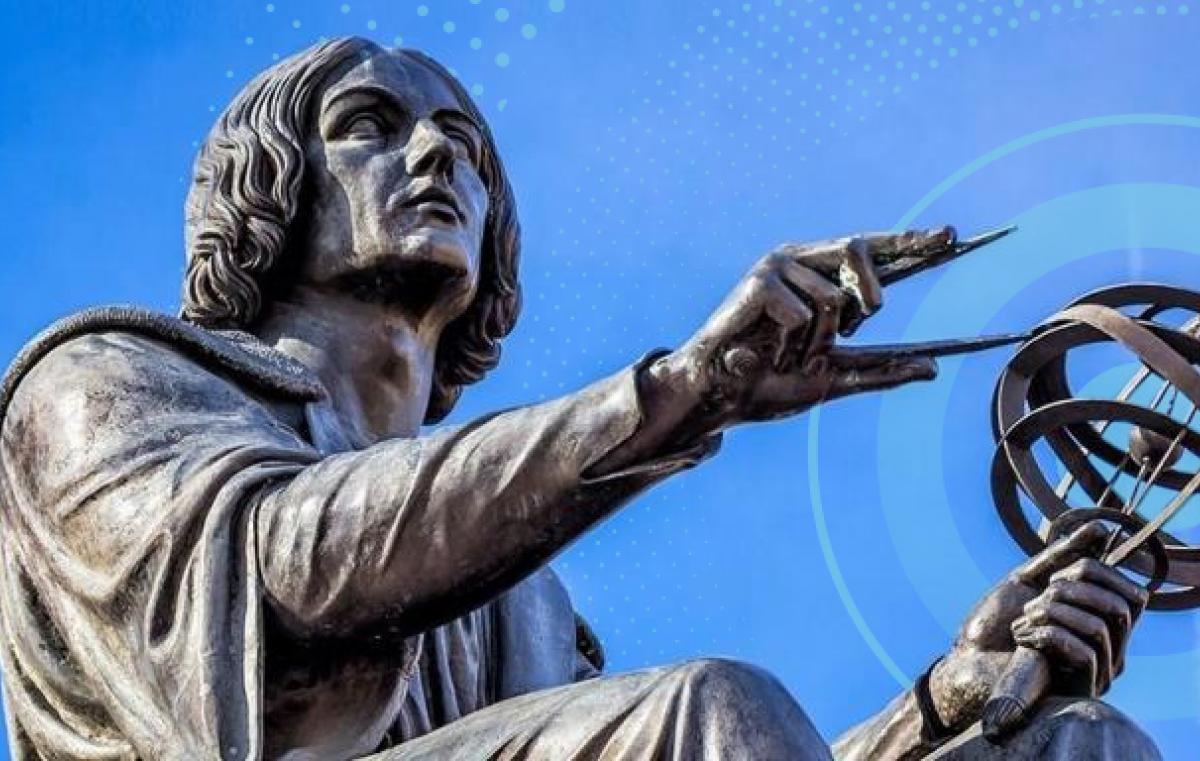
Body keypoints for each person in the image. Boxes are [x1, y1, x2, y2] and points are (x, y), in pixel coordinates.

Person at [0, 37, 1161, 760]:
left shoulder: (525, 600)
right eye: (370, 127)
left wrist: (939, 707)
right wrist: (684, 391)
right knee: (708, 704)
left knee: (1074, 740)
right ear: (266, 192)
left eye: (464, 145)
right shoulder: (103, 385)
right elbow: (294, 561)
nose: (436, 158)